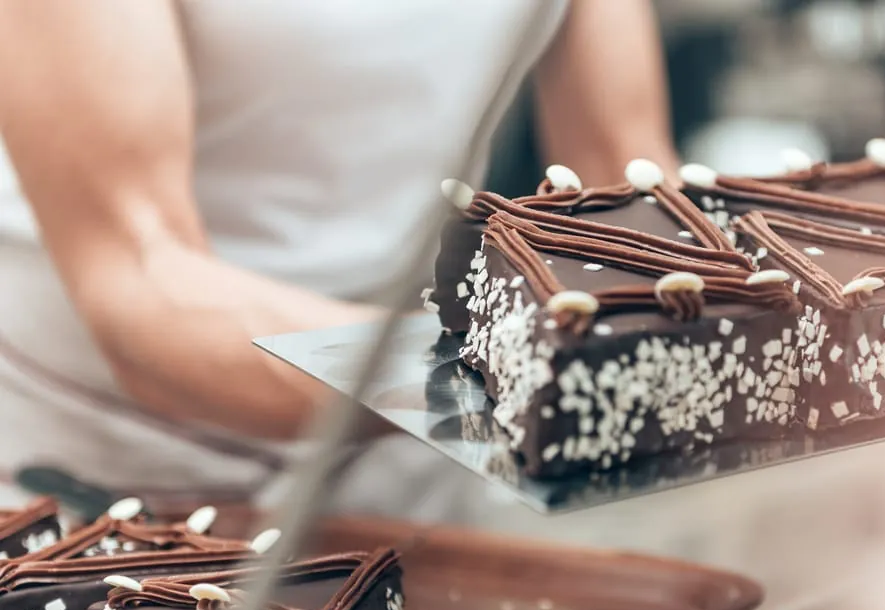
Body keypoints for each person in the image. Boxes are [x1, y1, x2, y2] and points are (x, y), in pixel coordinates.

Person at [0, 0, 678, 514]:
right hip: (116, 455)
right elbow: (142, 283)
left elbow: (623, 171)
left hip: (408, 438)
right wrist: (482, 371)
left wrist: (723, 322)